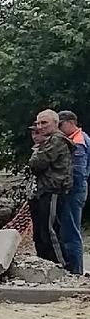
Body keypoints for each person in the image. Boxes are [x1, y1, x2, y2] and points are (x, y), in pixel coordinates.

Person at [27, 109, 73, 267]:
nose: (40, 127)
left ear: (56, 123)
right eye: (38, 123)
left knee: (50, 230)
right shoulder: (50, 141)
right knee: (40, 232)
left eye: (44, 123)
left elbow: (36, 164)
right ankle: (45, 263)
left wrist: (37, 151)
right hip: (44, 190)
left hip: (52, 190)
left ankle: (61, 265)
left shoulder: (57, 140)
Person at [56, 110, 88, 275]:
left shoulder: (78, 141)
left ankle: (75, 271)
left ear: (70, 122)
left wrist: (66, 187)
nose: (59, 129)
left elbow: (78, 171)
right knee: (68, 229)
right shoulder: (77, 138)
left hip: (74, 190)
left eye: (60, 125)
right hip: (76, 190)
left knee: (70, 232)